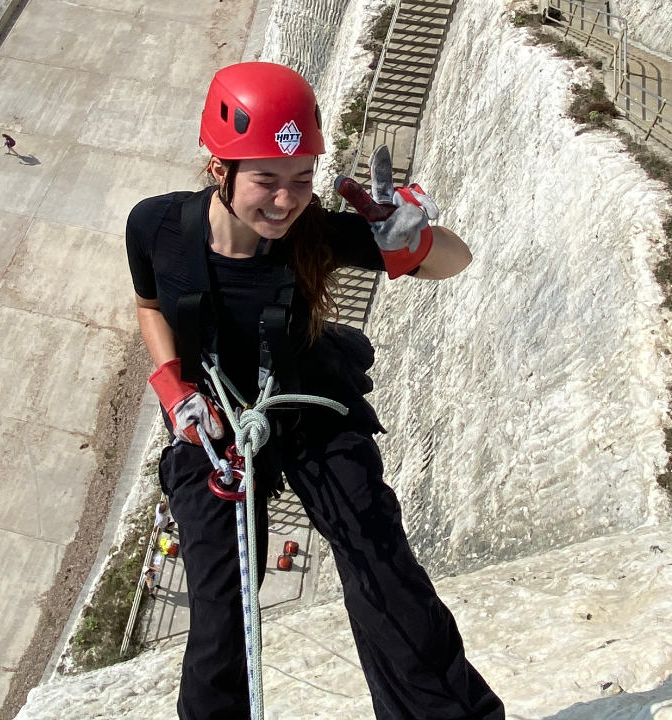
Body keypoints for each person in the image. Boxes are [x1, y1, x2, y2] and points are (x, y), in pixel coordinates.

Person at [125, 61, 504, 720]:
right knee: (221, 611)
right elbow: (148, 306)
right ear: (221, 170)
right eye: (266, 180)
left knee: (383, 569)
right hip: (212, 424)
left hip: (309, 407)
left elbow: (458, 260)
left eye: (301, 180)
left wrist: (408, 238)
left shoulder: (317, 234)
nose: (285, 200)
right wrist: (171, 384)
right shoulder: (156, 228)